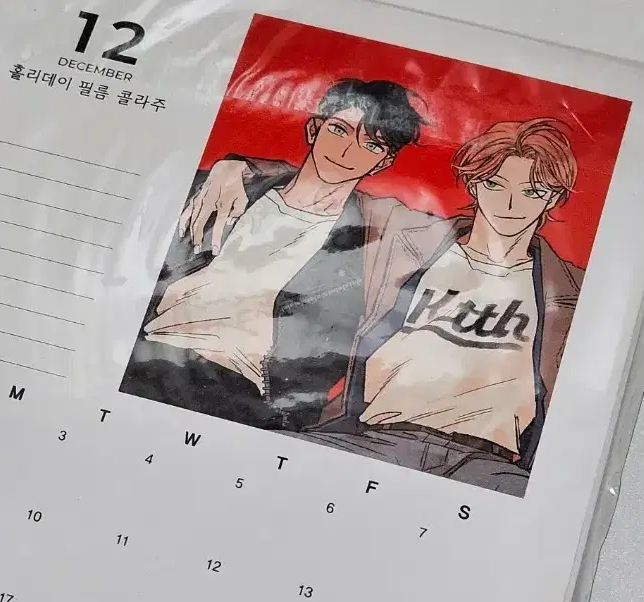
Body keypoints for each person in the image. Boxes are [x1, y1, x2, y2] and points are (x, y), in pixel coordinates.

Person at [183, 118, 583, 495]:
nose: (511, 204)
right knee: (249, 468)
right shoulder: (409, 236)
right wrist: (239, 167)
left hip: (486, 465)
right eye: (495, 184)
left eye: (533, 192)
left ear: (554, 198)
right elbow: (329, 180)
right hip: (375, 438)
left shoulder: (571, 288)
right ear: (474, 185)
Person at [118, 78, 425, 429]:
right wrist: (236, 166)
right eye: (339, 130)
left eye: (370, 145)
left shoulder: (378, 235)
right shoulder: (225, 188)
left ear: (383, 162)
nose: (347, 152)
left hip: (238, 390)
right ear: (314, 128)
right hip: (146, 354)